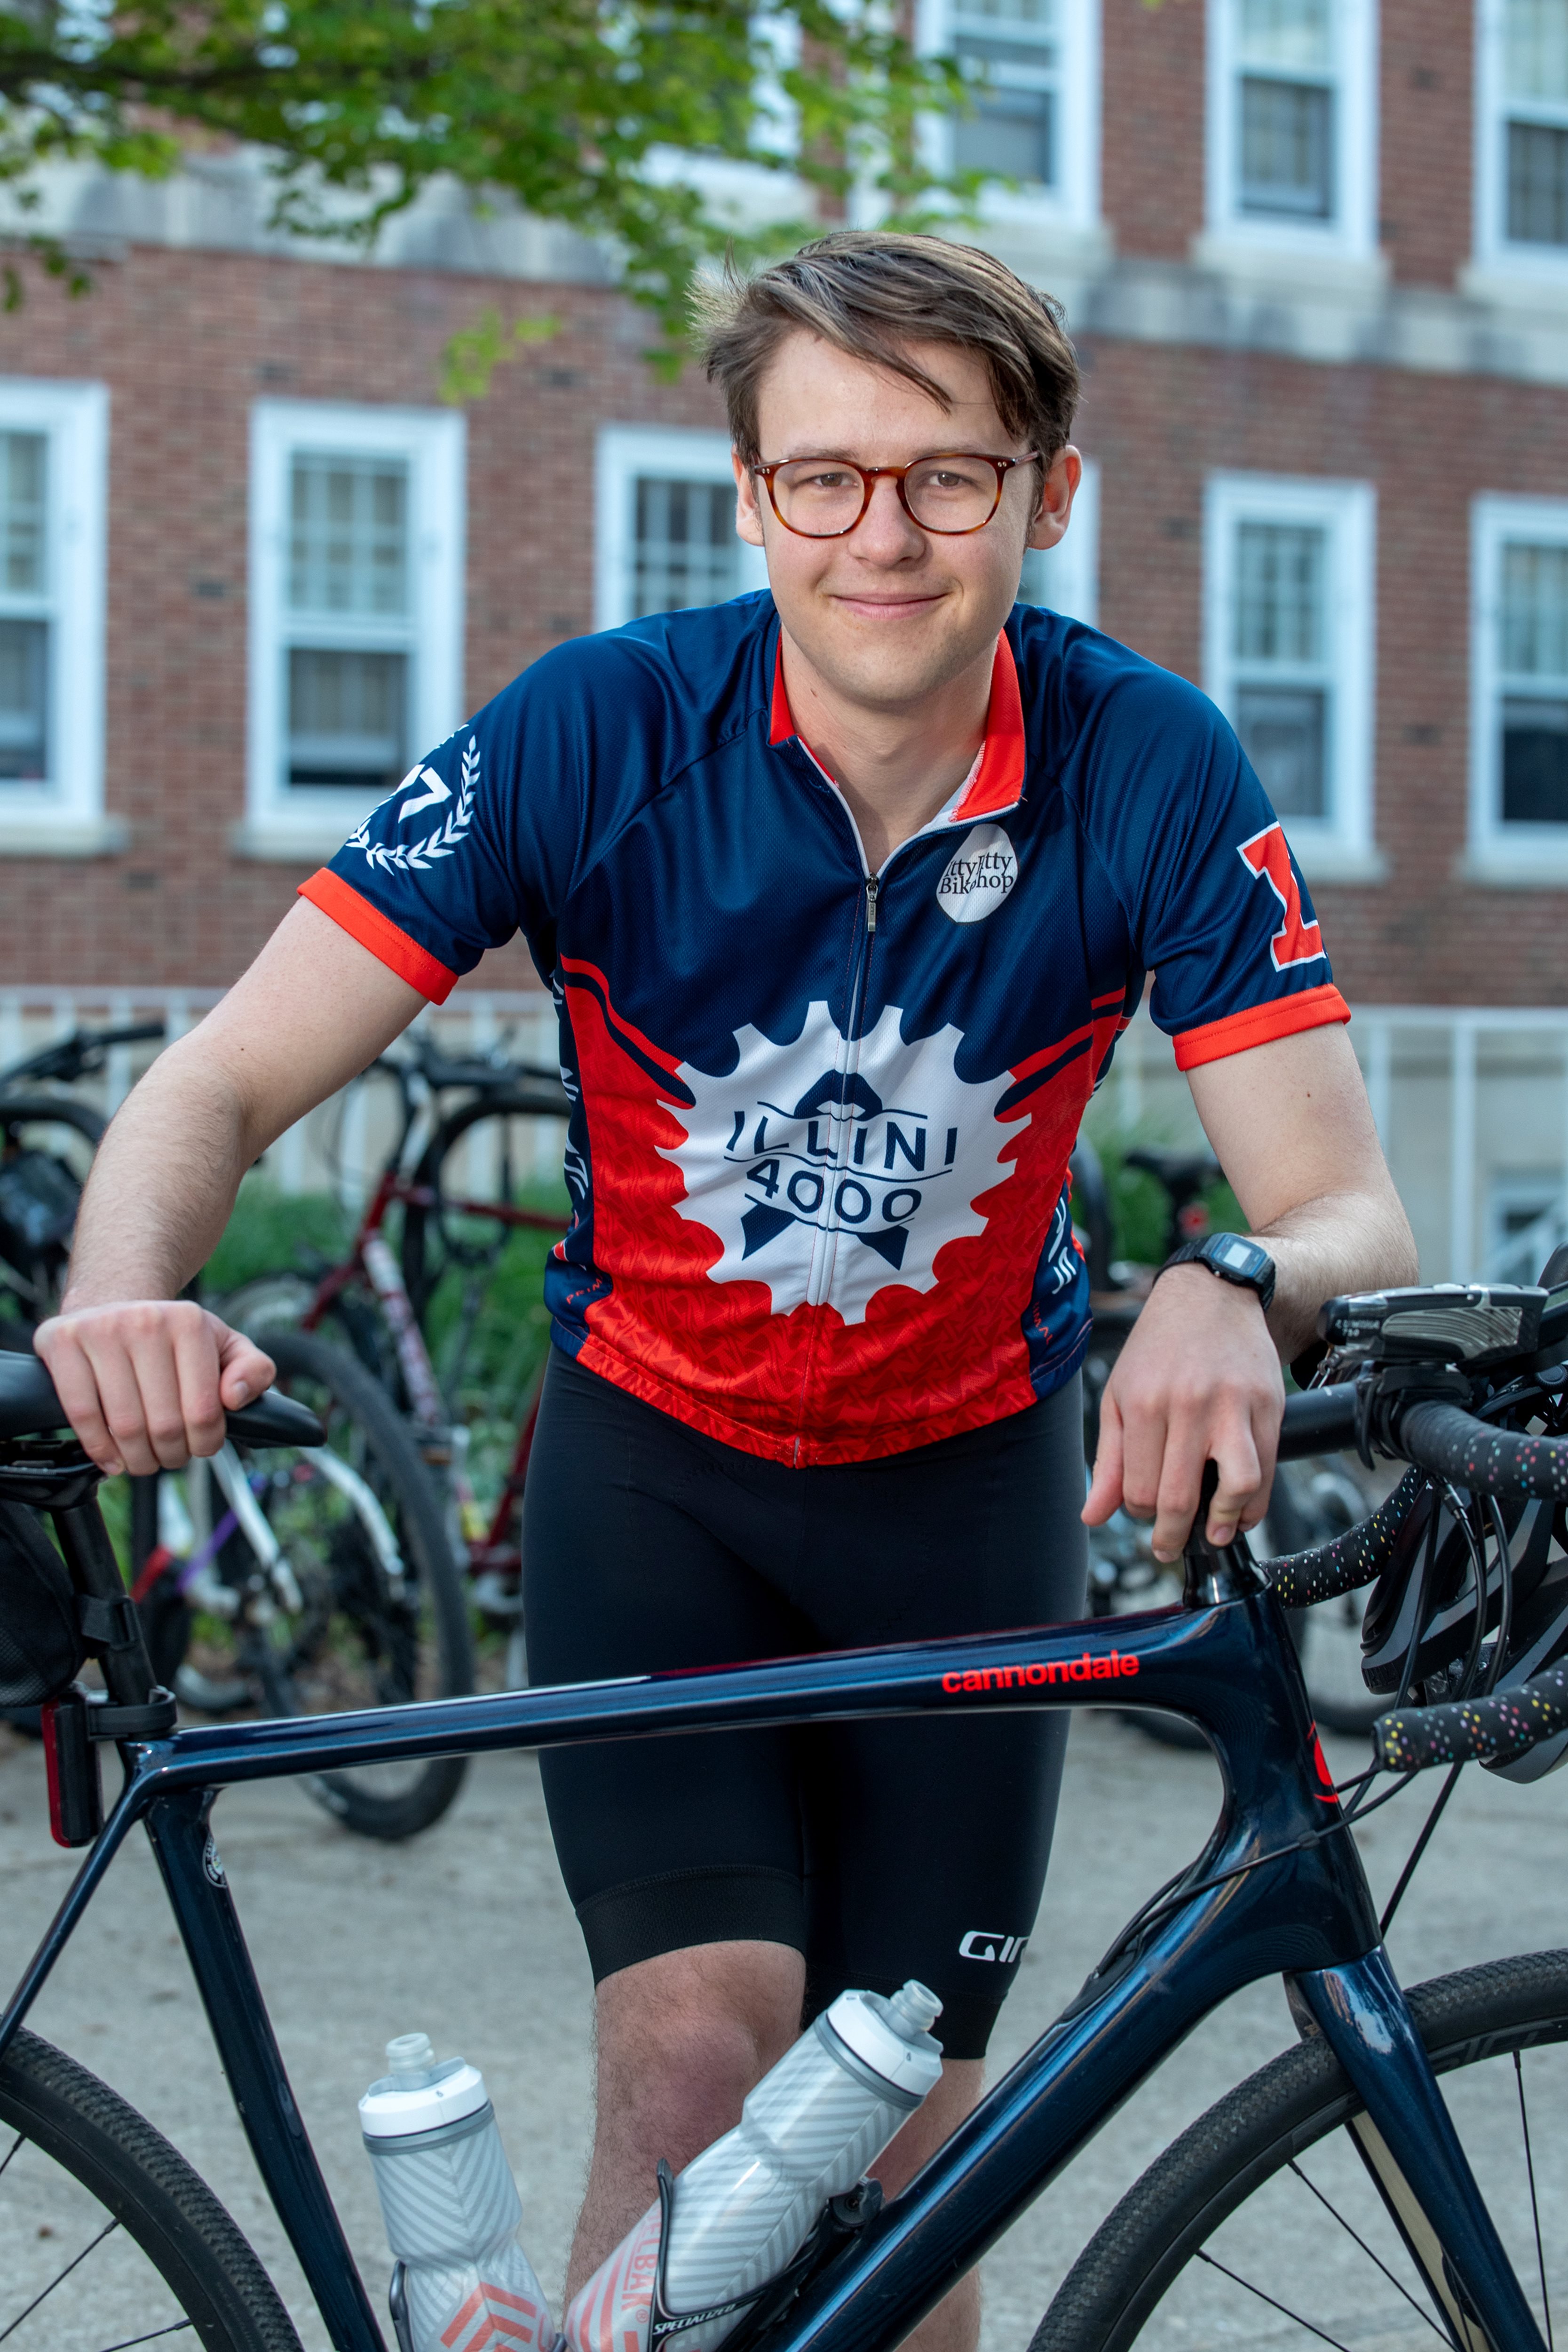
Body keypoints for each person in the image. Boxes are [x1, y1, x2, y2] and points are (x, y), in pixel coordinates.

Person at [36, 232, 1415, 2352]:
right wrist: (123, 1294)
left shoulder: (1150, 763)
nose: (886, 531)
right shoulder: (603, 731)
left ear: (1046, 495)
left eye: (950, 477)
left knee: (904, 2169)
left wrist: (1236, 1275)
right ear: (750, 493)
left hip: (965, 1488)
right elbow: (218, 1074)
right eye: (827, 476)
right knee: (701, 2083)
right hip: (657, 1475)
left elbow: (1345, 1213)